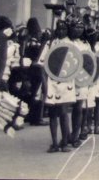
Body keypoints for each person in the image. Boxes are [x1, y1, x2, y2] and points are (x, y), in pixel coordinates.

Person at [37, 20, 76, 152]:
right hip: (52, 83)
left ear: (67, 30)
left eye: (64, 29)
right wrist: (44, 83)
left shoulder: (71, 44)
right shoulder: (50, 44)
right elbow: (42, 65)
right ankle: (54, 143)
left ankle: (65, 142)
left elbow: (75, 65)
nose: (61, 31)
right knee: (53, 114)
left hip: (66, 83)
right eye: (59, 29)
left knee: (64, 113)